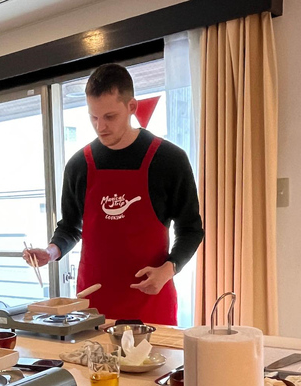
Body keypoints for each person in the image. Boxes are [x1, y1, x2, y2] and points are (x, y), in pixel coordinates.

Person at [24, 64, 203, 325]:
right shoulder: (78, 165)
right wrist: (51, 252)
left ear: (131, 107)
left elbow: (191, 229)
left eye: (110, 116)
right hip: (93, 306)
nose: (101, 127)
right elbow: (70, 227)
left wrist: (168, 269)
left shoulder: (169, 160)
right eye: (93, 118)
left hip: (151, 303)